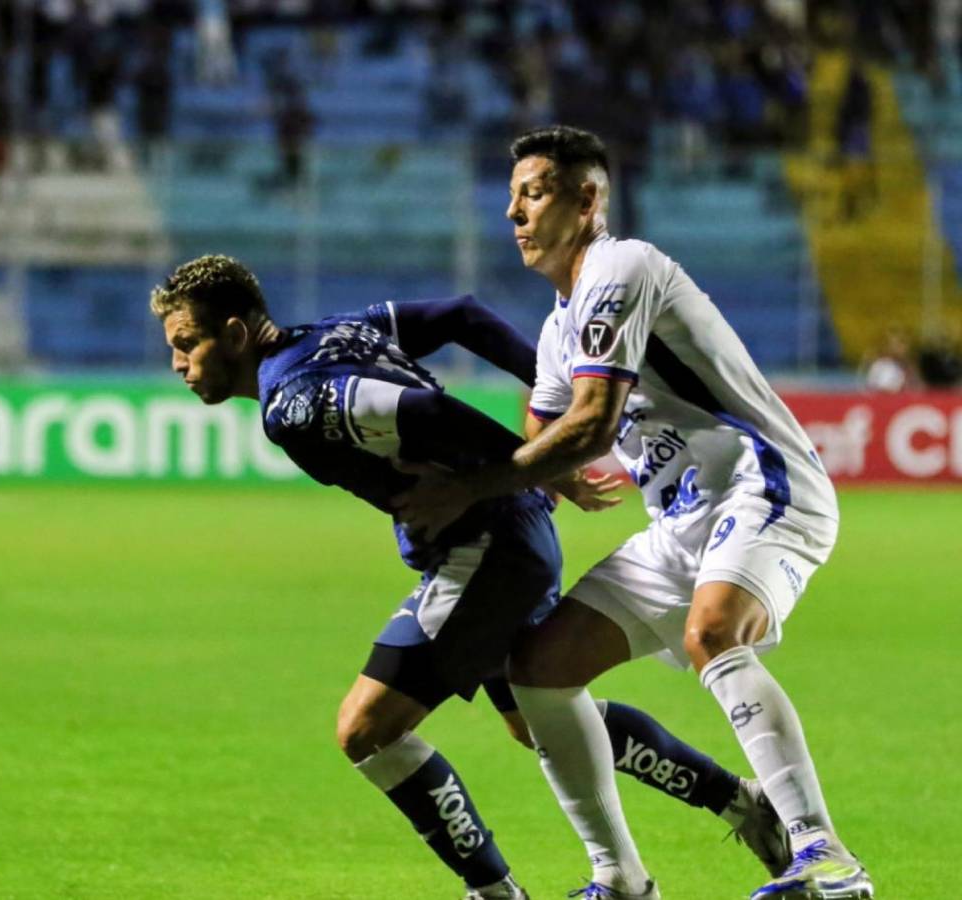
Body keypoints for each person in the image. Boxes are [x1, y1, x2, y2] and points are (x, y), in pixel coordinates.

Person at [150, 254, 789, 900]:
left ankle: (496, 892)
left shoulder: (296, 402)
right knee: (538, 716)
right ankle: (743, 802)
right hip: (510, 536)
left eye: (186, 343)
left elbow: (425, 411)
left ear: (235, 334)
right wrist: (554, 406)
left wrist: (540, 461)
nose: (177, 362)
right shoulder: (339, 331)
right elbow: (463, 316)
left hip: (487, 550)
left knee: (366, 730)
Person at [392, 126, 873, 900]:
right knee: (540, 672)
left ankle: (826, 857)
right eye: (512, 197)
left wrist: (477, 486)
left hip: (762, 482)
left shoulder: (622, 267)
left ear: (587, 200)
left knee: (713, 633)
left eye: (534, 194)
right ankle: (620, 879)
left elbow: (592, 424)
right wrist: (520, 474)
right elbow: (547, 433)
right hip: (680, 525)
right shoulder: (559, 327)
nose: (514, 213)